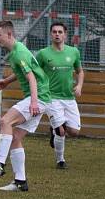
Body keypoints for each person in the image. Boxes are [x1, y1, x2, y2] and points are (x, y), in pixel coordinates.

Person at [0, 20, 51, 191]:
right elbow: (22, 71)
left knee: (5, 122)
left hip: (38, 97)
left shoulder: (18, 53)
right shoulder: (15, 52)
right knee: (15, 138)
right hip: (42, 98)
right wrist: (6, 81)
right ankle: (20, 182)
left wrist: (34, 101)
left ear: (9, 34)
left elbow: (32, 78)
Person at [35, 22, 84, 169]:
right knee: (61, 131)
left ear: (65, 34)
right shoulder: (43, 53)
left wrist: (79, 85)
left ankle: (54, 130)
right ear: (51, 34)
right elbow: (34, 72)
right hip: (51, 97)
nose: (57, 34)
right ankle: (60, 161)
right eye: (54, 32)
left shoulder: (74, 52)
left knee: (74, 132)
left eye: (60, 32)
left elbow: (80, 71)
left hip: (69, 98)